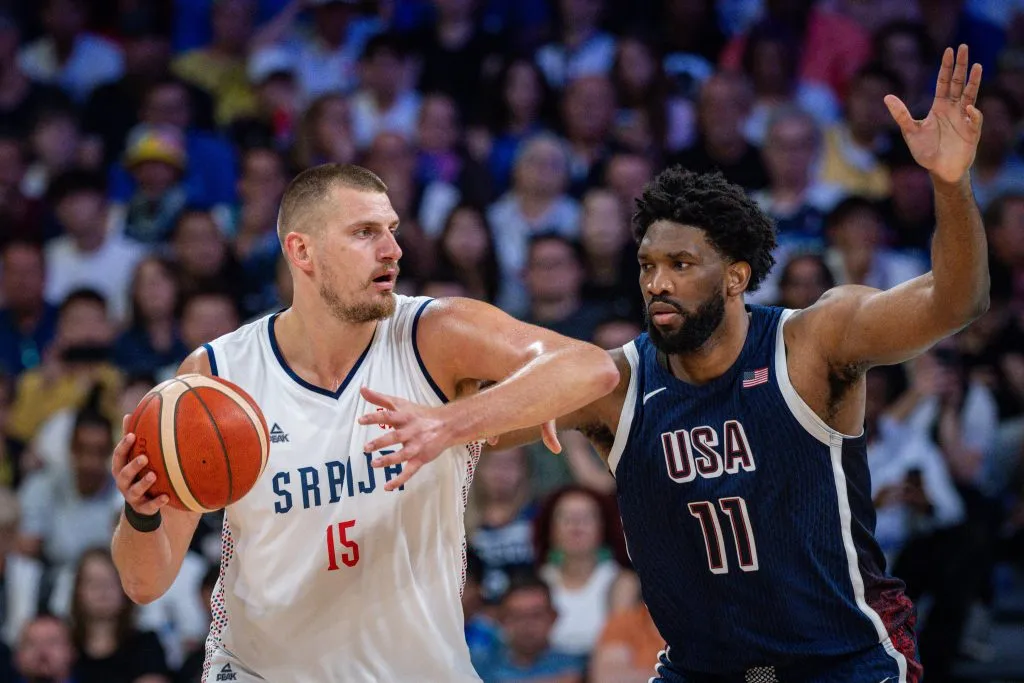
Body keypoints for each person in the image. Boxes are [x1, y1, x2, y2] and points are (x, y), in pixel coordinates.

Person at [374, 45, 990, 682]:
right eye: (647, 266)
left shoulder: (814, 342)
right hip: (703, 671)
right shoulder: (614, 385)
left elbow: (958, 301)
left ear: (736, 276)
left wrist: (950, 182)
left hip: (841, 661)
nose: (658, 283)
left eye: (681, 265)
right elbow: (481, 430)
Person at [109, 163, 619, 682]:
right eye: (364, 233)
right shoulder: (215, 377)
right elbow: (143, 583)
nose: (392, 250)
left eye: (392, 230)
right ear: (301, 251)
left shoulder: (436, 332)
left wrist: (451, 423)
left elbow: (592, 367)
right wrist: (141, 511)